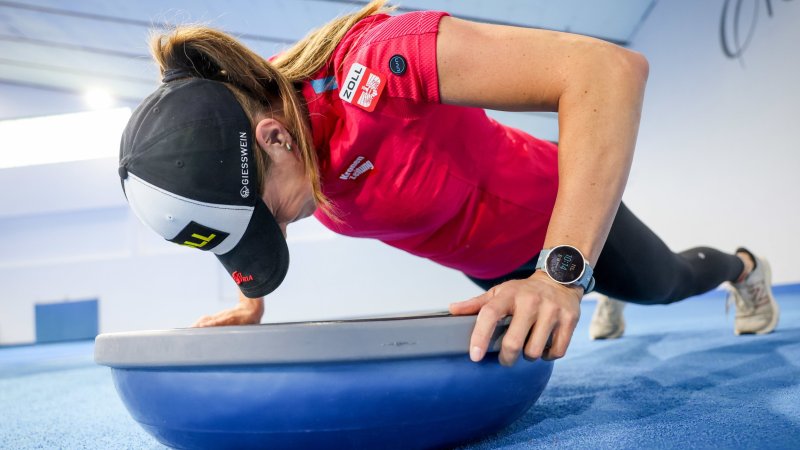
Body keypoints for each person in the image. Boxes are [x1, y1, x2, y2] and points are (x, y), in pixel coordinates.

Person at [118, 0, 778, 367]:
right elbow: (237, 203)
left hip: (552, 222)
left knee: (663, 285)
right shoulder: (245, 111)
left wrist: (561, 273)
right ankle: (590, 291)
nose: (285, 228)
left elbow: (611, 71)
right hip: (482, 262)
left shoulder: (378, 63)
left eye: (277, 218)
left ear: (275, 138)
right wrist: (252, 297)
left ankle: (744, 267)